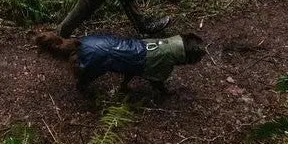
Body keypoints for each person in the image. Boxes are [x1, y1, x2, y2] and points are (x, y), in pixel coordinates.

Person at [35, 31, 205, 93]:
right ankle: (82, 87)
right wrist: (164, 92)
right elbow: (156, 79)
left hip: (96, 43)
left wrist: (124, 84)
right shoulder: (164, 59)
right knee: (90, 73)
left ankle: (83, 82)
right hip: (97, 54)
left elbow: (134, 67)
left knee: (127, 58)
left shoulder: (159, 44)